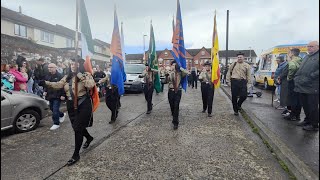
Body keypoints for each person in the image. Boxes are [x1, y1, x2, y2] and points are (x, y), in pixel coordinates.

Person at [41, 58, 95, 165]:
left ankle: (76, 154)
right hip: (71, 104)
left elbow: (90, 85)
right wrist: (46, 83)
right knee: (76, 126)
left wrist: (79, 76)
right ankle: (89, 138)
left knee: (78, 128)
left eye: (75, 64)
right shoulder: (67, 76)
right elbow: (58, 85)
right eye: (71, 64)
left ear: (79, 65)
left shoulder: (86, 74)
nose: (72, 66)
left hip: (83, 104)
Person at [294, 41, 319, 131]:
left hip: (313, 86)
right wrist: (296, 77)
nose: (309, 48)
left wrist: (310, 77)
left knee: (313, 106)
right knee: (305, 105)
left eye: (311, 46)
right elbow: (300, 68)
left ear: (317, 47)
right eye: (308, 46)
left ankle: (314, 125)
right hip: (302, 86)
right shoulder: (307, 56)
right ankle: (307, 120)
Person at [165, 60, 188, 130]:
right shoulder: (169, 73)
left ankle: (176, 123)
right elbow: (165, 80)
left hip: (178, 91)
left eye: (175, 65)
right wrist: (167, 73)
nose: (174, 66)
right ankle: (174, 116)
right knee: (172, 106)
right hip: (171, 91)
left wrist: (180, 68)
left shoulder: (180, 73)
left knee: (176, 106)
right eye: (172, 65)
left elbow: (186, 72)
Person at [43, 63, 66, 130]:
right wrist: (45, 91)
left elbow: (63, 86)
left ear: (55, 67)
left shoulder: (60, 76)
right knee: (52, 108)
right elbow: (46, 84)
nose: (49, 68)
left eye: (51, 67)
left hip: (57, 95)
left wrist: (63, 95)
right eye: (49, 67)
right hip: (50, 95)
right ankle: (61, 115)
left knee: (55, 109)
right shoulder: (47, 76)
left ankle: (56, 123)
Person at [284, 48, 303, 121]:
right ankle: (297, 116)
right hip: (299, 81)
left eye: (289, 53)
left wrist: (289, 77)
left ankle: (292, 115)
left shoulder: (293, 61)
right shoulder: (301, 59)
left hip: (293, 81)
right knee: (298, 99)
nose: (288, 54)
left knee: (293, 99)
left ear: (292, 53)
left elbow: (292, 68)